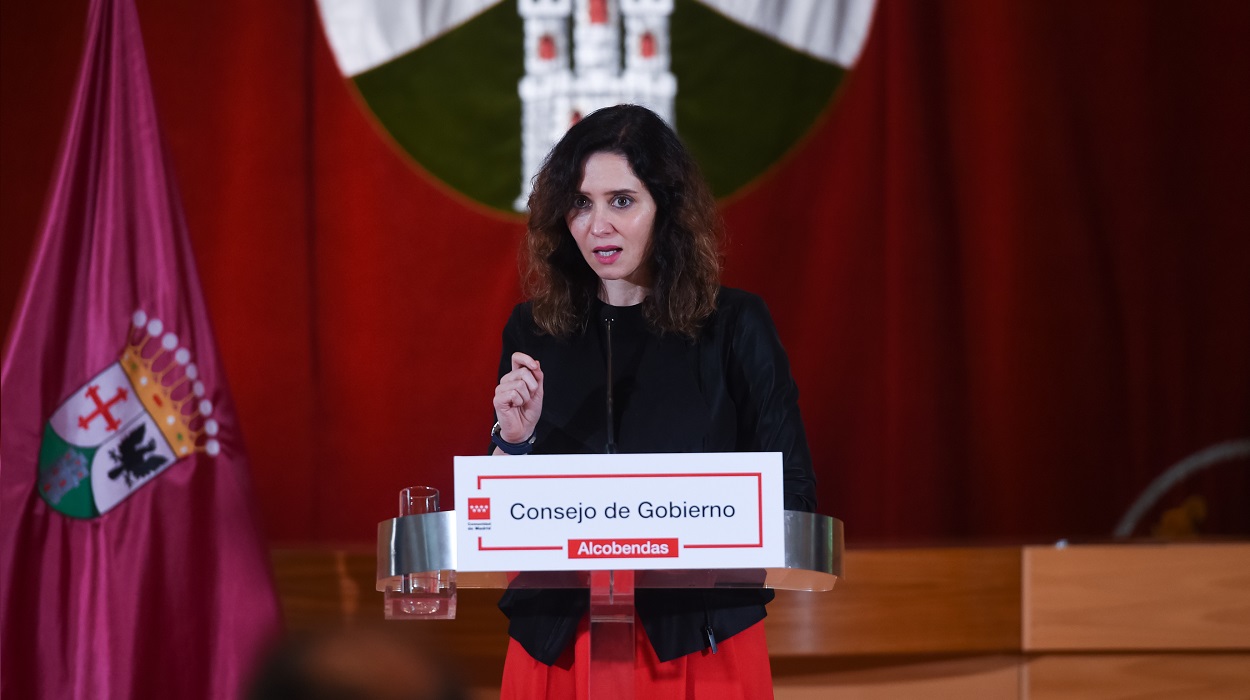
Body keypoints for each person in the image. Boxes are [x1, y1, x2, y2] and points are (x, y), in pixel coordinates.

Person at [489, 104, 816, 699]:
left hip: (697, 643)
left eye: (622, 200)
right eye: (581, 203)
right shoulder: (532, 331)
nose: (597, 225)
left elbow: (792, 494)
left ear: (665, 209)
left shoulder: (734, 325)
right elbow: (509, 516)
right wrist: (515, 442)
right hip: (559, 643)